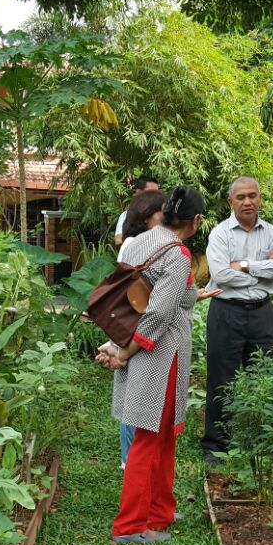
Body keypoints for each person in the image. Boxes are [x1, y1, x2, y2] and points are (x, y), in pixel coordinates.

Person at [103, 186, 206, 545]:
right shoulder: (177, 254)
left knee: (162, 436)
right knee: (149, 437)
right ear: (195, 221)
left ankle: (160, 511)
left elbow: (129, 296)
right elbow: (159, 312)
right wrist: (127, 352)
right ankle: (130, 526)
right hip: (159, 353)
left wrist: (118, 344)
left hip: (137, 343)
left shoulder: (138, 242)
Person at [201, 176, 273, 465]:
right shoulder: (220, 234)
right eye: (240, 197)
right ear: (231, 202)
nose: (247, 202)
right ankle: (216, 445)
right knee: (221, 378)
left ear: (260, 198)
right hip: (226, 312)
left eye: (252, 196)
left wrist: (245, 265)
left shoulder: (272, 233)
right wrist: (266, 270)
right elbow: (221, 274)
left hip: (263, 312)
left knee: (264, 376)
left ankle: (261, 441)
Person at [102, 189, 168, 470]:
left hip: (137, 326)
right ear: (147, 216)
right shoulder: (137, 245)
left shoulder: (146, 243)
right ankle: (131, 460)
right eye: (162, 213)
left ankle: (132, 459)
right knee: (135, 396)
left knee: (135, 395)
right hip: (137, 325)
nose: (167, 218)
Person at [114, 176, 161, 247]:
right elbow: (118, 240)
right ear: (138, 192)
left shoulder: (161, 214)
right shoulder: (126, 215)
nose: (154, 196)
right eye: (150, 193)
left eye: (156, 192)